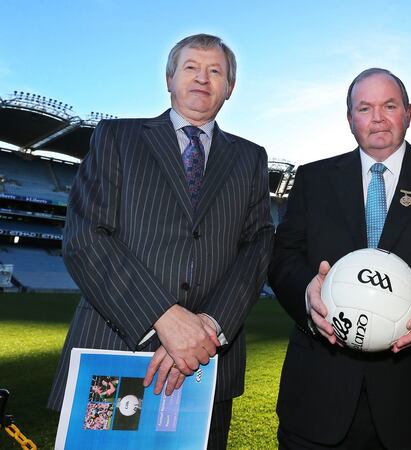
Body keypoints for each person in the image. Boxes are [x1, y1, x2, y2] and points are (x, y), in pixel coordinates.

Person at [47, 33, 273, 449]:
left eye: (215, 71)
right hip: (112, 352)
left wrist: (208, 327)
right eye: (190, 67)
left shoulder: (251, 157)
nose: (202, 78)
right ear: (169, 78)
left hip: (206, 365)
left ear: (230, 87)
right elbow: (85, 237)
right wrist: (164, 318)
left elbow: (257, 248)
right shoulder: (117, 138)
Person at [268, 68, 411, 449]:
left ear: (409, 112)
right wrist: (307, 294)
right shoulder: (313, 179)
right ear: (350, 118)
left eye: (389, 105)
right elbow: (282, 257)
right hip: (319, 397)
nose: (378, 118)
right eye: (365, 108)